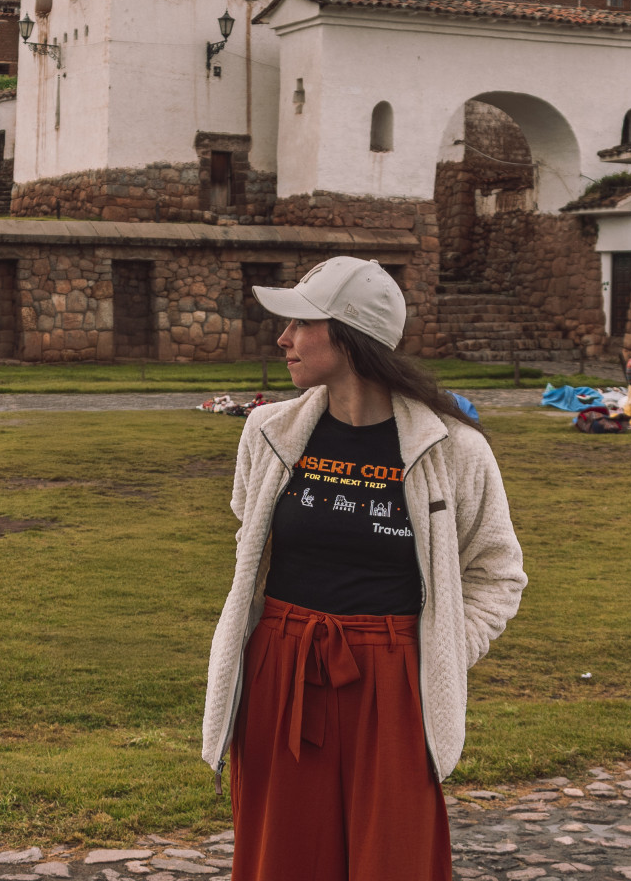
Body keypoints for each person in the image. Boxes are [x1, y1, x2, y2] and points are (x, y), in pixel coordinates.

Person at [200, 256, 526, 881]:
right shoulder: (269, 432)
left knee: (395, 860)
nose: (283, 338)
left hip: (397, 676)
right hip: (281, 666)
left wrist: (443, 652)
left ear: (348, 336)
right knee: (283, 858)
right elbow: (252, 537)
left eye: (300, 322)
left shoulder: (453, 448)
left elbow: (497, 572)